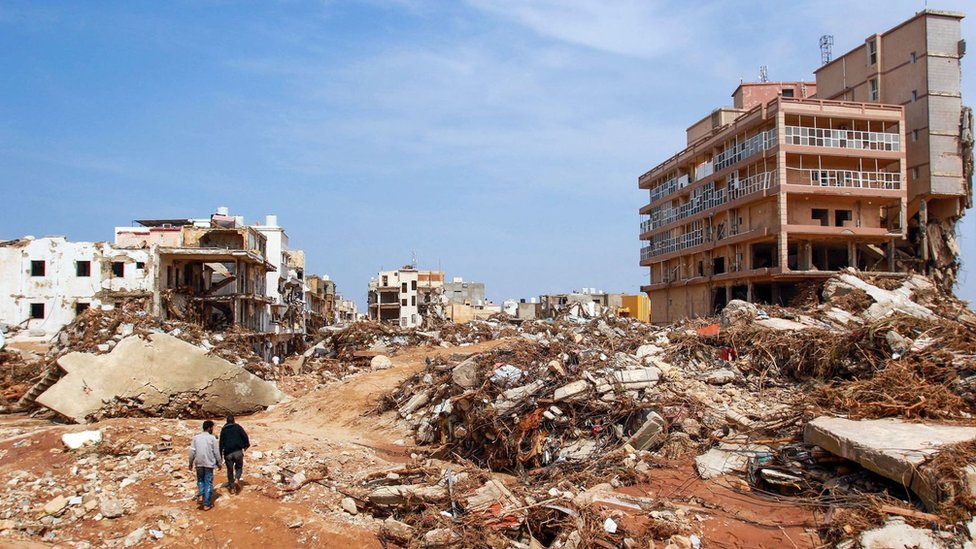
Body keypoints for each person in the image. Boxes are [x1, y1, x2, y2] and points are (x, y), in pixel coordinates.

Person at [188, 420, 221, 510]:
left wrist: (190, 463)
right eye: (212, 427)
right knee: (208, 482)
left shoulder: (196, 438)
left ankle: (201, 494)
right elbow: (216, 452)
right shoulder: (212, 438)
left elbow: (192, 452)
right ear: (209, 428)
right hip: (209, 463)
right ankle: (206, 504)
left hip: (198, 463)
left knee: (200, 480)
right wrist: (219, 462)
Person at [219, 415, 250, 494]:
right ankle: (236, 480)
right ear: (233, 421)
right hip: (238, 452)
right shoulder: (238, 427)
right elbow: (244, 436)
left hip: (228, 453)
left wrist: (220, 456)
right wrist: (246, 445)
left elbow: (221, 443)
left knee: (229, 470)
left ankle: (232, 488)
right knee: (239, 467)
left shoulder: (223, 430)